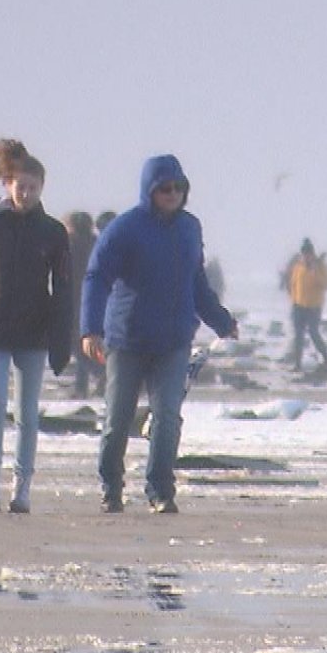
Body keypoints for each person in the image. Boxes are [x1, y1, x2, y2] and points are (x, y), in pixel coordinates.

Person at [81, 155, 238, 515]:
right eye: (164, 188)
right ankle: (111, 486)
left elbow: (196, 282)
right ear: (150, 190)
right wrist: (90, 328)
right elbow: (96, 277)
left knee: (168, 415)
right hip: (128, 339)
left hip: (173, 341)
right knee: (117, 420)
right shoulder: (125, 229)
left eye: (178, 188)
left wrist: (220, 321)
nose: (172, 194)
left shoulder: (189, 228)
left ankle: (160, 490)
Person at [0, 139, 72, 514]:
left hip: (33, 334)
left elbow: (64, 289)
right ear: (8, 185)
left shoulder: (53, 233)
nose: (26, 192)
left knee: (27, 412)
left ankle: (23, 486)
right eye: (20, 186)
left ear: (41, 189)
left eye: (33, 187)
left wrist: (61, 338)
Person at [284, 238, 327, 373]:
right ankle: (297, 364)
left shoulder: (321, 266)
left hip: (314, 306)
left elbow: (326, 285)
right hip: (298, 305)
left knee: (313, 333)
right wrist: (293, 298)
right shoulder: (298, 266)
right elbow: (292, 283)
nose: (306, 256)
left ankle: (326, 359)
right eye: (304, 254)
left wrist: (314, 270)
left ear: (313, 253)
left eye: (308, 254)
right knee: (298, 336)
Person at [65, 211, 99, 399]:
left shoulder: (70, 245)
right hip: (93, 300)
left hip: (73, 301)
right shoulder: (96, 244)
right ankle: (81, 386)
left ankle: (100, 376)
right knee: (85, 343)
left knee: (76, 346)